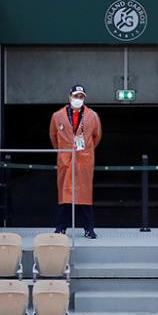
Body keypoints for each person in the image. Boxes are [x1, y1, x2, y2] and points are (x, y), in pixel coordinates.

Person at [49, 84, 102, 238]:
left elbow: (96, 136)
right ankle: (61, 227)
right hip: (65, 160)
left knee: (84, 196)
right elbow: (53, 137)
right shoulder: (57, 116)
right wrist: (63, 151)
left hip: (83, 160)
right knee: (65, 196)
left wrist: (86, 151)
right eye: (76, 96)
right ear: (70, 97)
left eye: (81, 97)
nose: (78, 99)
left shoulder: (92, 116)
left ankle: (88, 228)